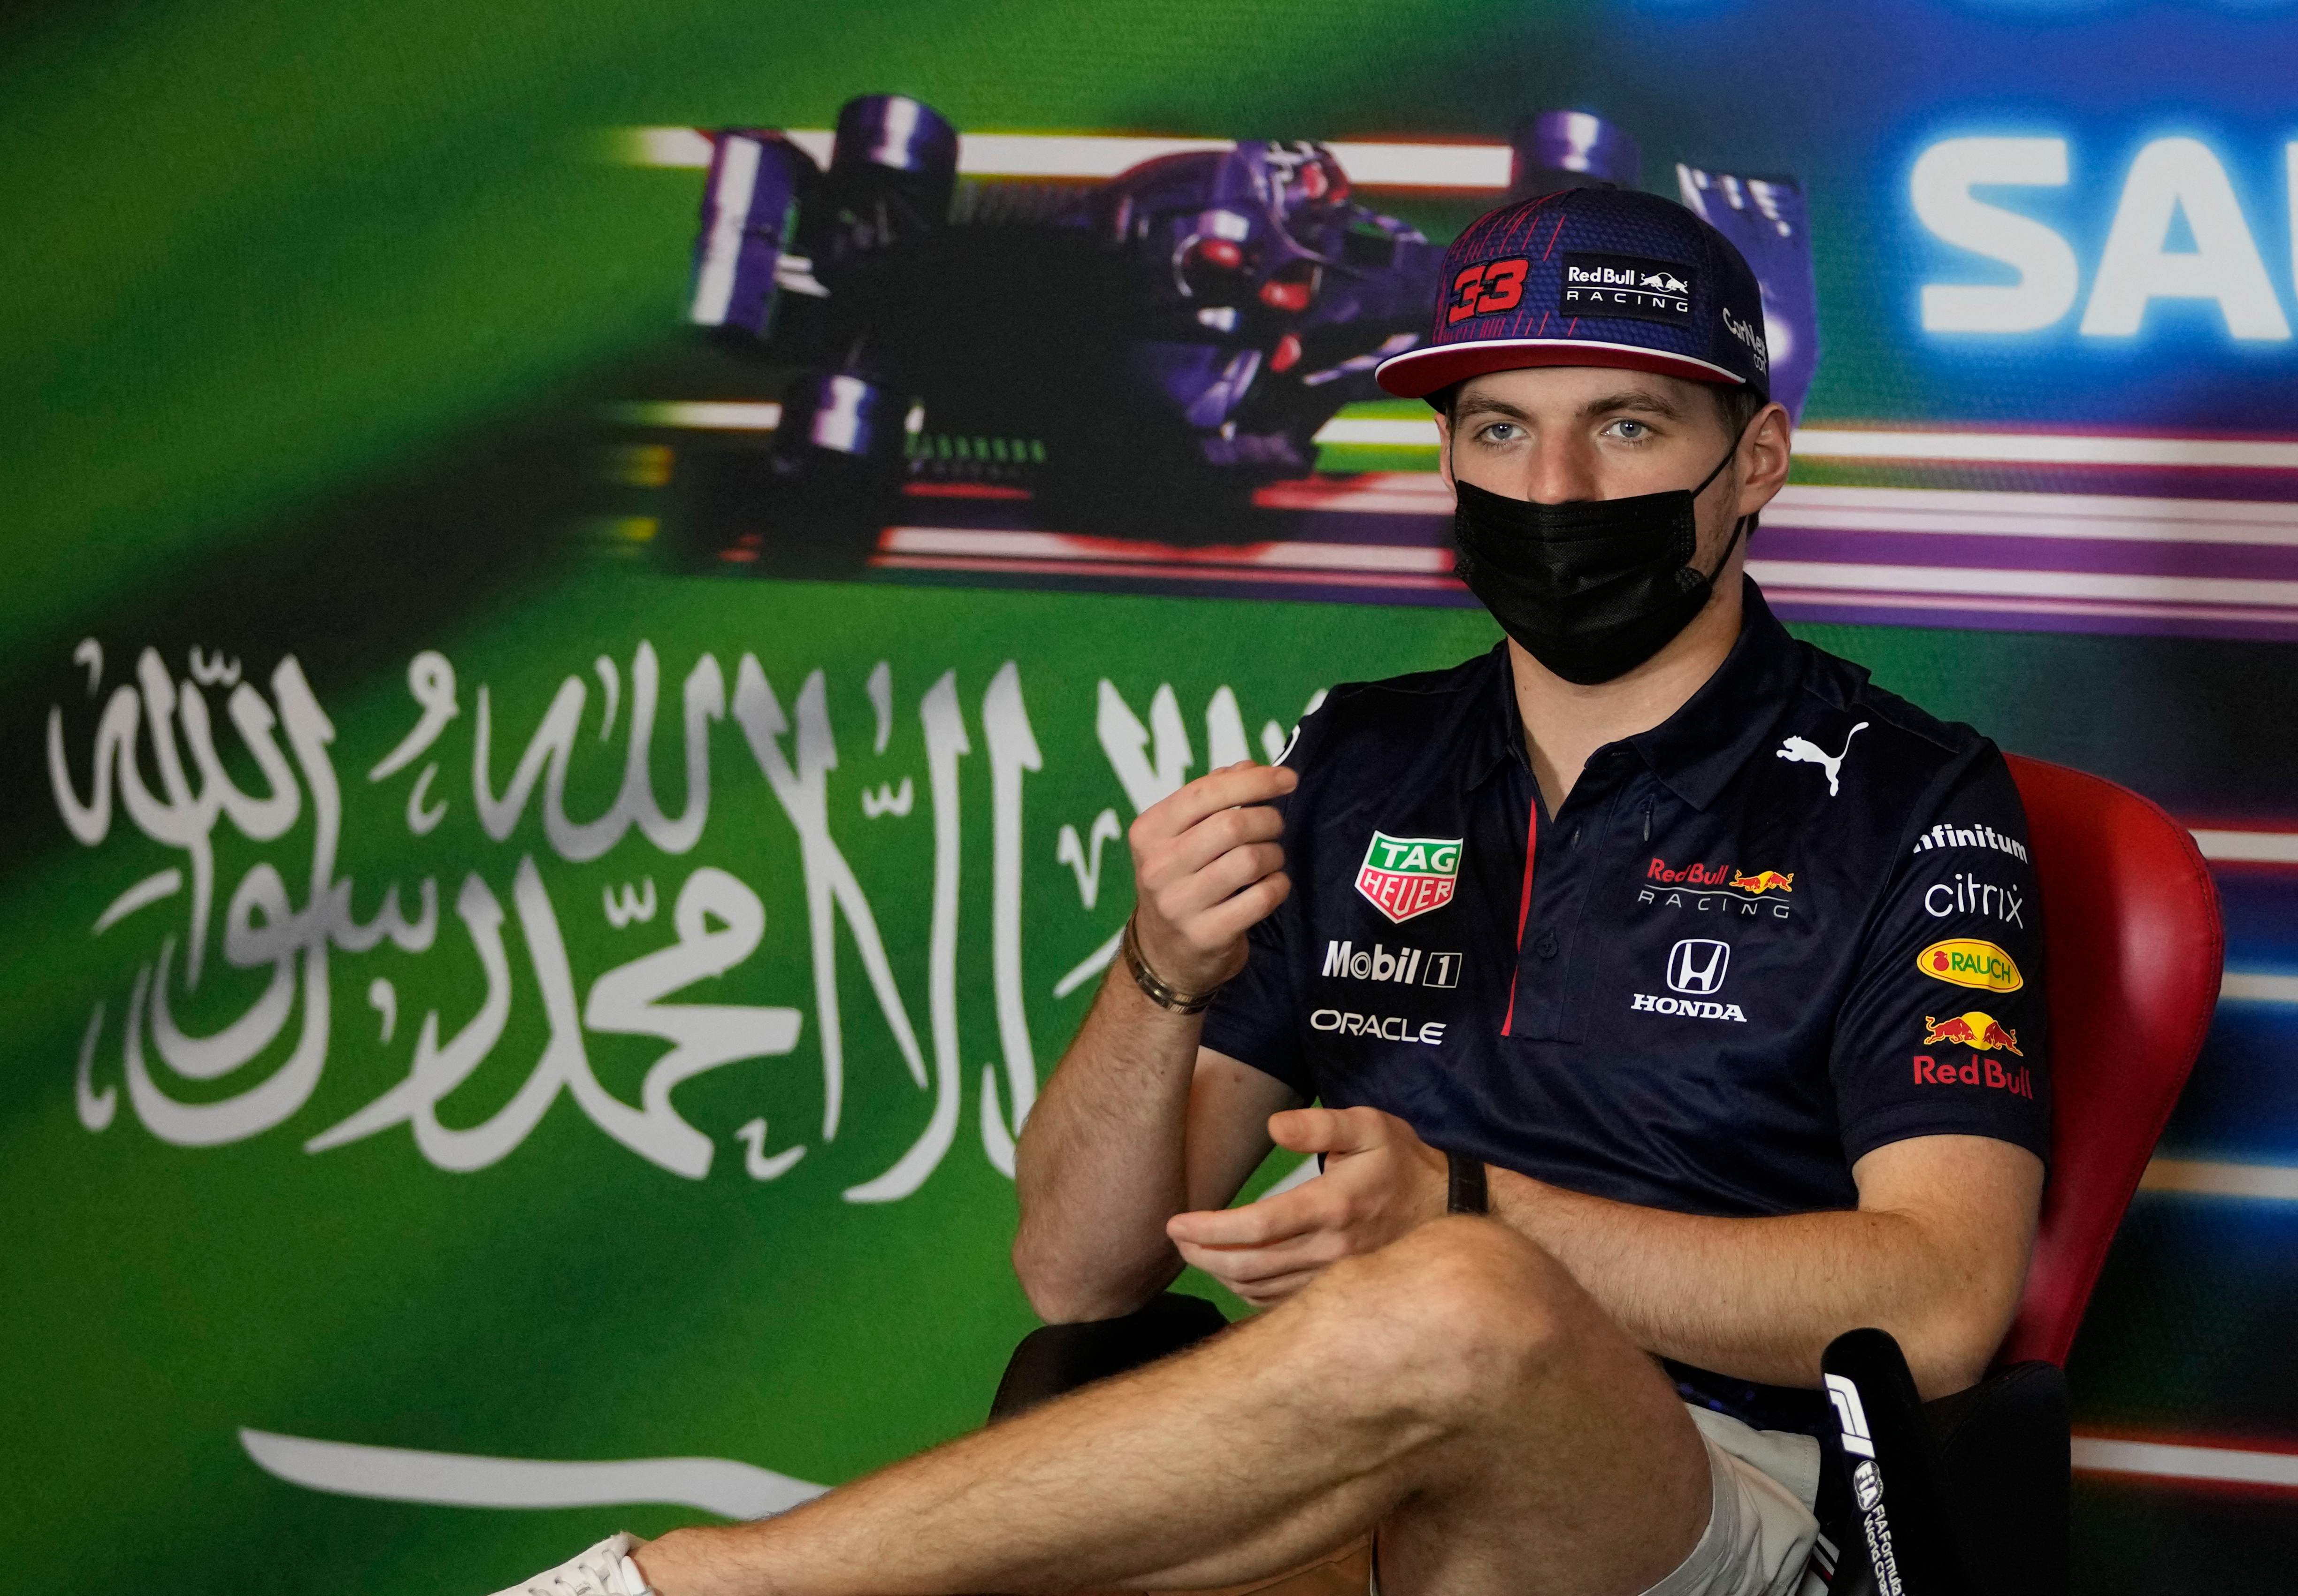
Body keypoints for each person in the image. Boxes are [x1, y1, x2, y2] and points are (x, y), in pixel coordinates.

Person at [495, 186, 2050, 1596]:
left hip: (1714, 1505)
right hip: (1357, 1477)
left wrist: (1471, 1212)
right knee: (1164, 1387)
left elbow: (1943, 1304)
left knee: (1460, 1300)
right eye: (1497, 429)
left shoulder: (1915, 796)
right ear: (1445, 452)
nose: (1555, 485)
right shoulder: (1362, 760)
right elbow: (1080, 1270)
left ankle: (694, 1588)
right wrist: (1159, 966)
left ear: (1754, 460)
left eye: (1628, 428)